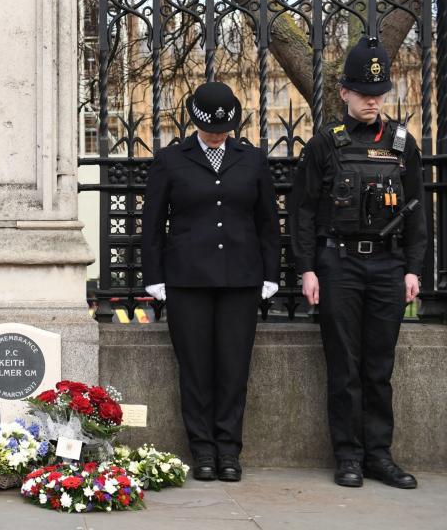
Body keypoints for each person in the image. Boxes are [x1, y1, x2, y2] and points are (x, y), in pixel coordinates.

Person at [290, 36, 425, 489]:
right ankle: (348, 455)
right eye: (364, 93)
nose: (372, 101)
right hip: (339, 264)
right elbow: (304, 211)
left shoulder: (404, 145)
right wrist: (308, 268)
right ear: (343, 93)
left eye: (379, 93)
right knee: (344, 366)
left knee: (379, 367)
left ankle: (379, 456)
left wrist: (413, 269)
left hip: (388, 266)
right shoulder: (326, 143)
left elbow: (418, 213)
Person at [141, 82, 280, 483]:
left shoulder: (251, 160)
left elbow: (268, 223)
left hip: (241, 279)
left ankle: (229, 451)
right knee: (196, 369)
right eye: (211, 129)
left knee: (234, 369)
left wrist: (270, 273)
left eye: (224, 129)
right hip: (187, 280)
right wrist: (155, 278)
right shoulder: (171, 160)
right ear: (195, 121)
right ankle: (202, 450)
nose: (218, 136)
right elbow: (152, 224)